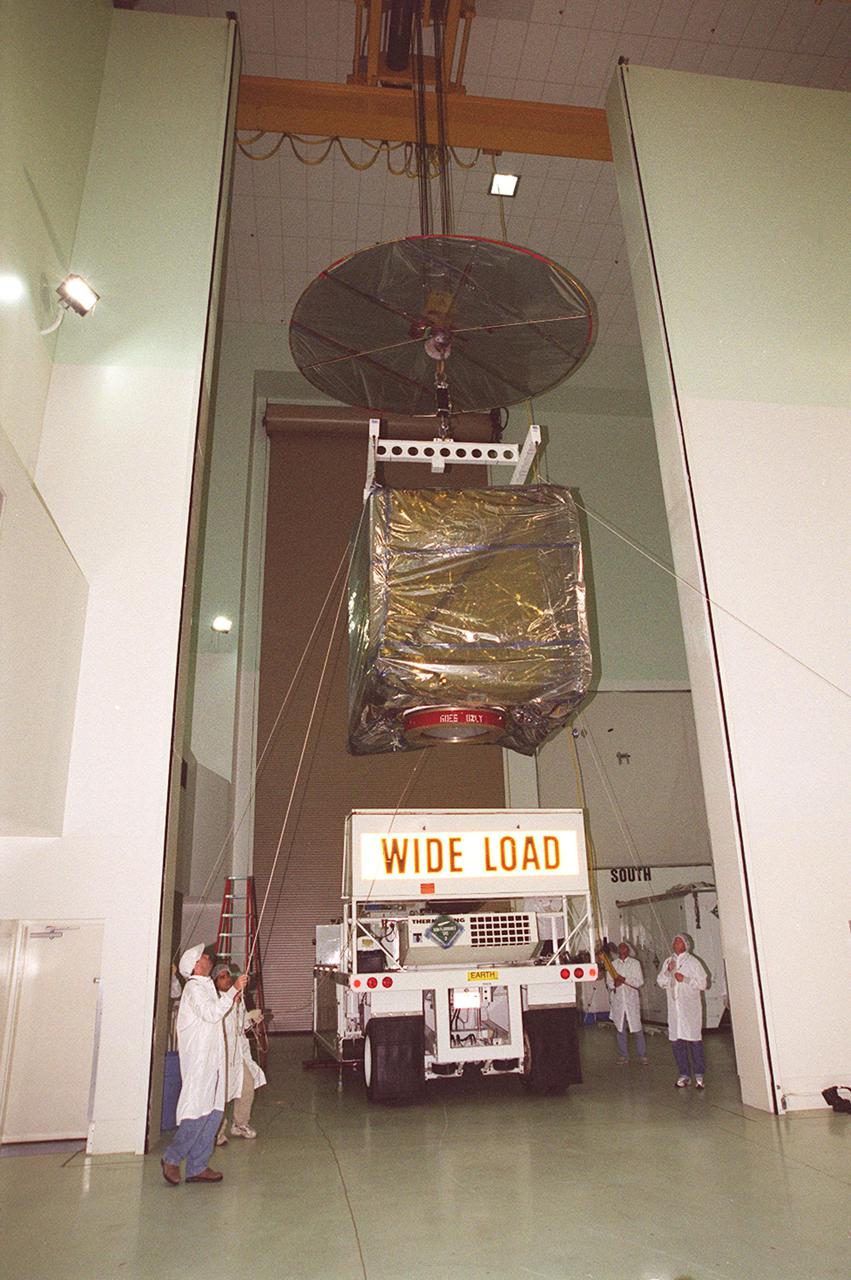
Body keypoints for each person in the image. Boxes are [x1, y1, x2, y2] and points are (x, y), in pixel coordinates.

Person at [160, 943, 248, 1185]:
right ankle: (172, 1157)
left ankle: (197, 1166)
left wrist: (233, 995)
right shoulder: (193, 989)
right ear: (196, 966)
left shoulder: (206, 986)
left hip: (213, 1061)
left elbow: (219, 1011)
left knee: (214, 1113)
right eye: (204, 956)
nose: (209, 957)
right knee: (197, 1112)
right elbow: (211, 1014)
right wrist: (232, 993)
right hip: (200, 1062)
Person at [213, 965, 266, 1144]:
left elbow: (241, 1025)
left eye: (227, 976)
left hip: (238, 1053)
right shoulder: (215, 1001)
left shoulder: (238, 998)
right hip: (222, 1054)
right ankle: (218, 1131)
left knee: (247, 1084)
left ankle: (240, 1123)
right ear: (215, 982)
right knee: (221, 1093)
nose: (226, 979)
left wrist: (252, 1019)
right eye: (221, 977)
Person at [657, 933, 708, 1089]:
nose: (675, 943)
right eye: (674, 941)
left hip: (690, 1009)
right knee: (677, 1042)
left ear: (686, 944)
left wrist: (685, 979)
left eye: (679, 941)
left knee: (694, 1041)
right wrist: (668, 971)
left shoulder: (693, 962)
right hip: (674, 1010)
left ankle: (699, 1076)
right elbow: (660, 981)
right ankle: (684, 1074)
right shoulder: (668, 961)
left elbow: (703, 984)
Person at [605, 940, 647, 1065]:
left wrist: (625, 980)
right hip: (618, 1001)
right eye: (620, 949)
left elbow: (639, 981)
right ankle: (624, 1055)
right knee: (620, 1029)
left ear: (628, 951)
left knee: (637, 1028)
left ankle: (642, 1055)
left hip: (631, 1000)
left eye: (624, 949)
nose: (621, 951)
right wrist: (615, 984)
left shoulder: (635, 964)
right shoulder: (612, 965)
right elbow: (609, 981)